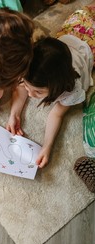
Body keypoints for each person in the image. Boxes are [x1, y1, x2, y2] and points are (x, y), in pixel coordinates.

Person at [6, 1, 95, 173]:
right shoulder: (32, 67)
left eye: (38, 92)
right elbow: (22, 87)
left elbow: (57, 113)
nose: (30, 94)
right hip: (76, 25)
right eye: (28, 85)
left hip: (89, 42)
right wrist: (14, 113)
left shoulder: (71, 88)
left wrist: (47, 146)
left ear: (58, 87)